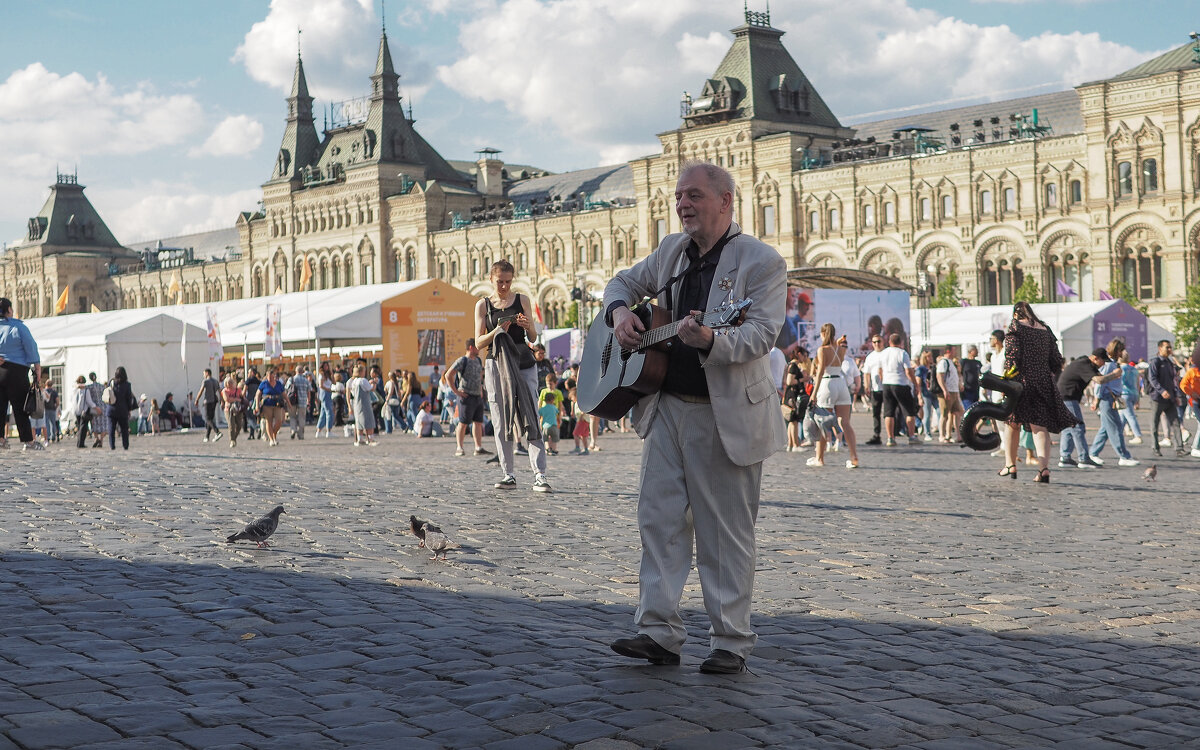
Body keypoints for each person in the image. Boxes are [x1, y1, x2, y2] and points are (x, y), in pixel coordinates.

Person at [603, 161, 786, 675]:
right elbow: (621, 282)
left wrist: (710, 338)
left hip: (723, 414)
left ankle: (731, 640)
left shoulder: (761, 261)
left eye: (694, 196)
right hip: (666, 408)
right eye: (679, 196)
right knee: (657, 520)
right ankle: (657, 631)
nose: (683, 204)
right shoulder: (670, 251)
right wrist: (620, 313)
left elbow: (762, 335)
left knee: (725, 533)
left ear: (726, 201)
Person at [475, 259, 551, 492]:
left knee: (530, 413)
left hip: (523, 363)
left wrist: (528, 326)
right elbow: (478, 342)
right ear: (491, 279)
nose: (504, 286)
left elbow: (534, 338)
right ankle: (508, 473)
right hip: (496, 364)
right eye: (500, 282)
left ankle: (540, 474)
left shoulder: (522, 300)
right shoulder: (483, 305)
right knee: (500, 418)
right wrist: (496, 331)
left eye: (508, 281)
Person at [1000, 302, 1076, 482]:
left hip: (1020, 382)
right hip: (1043, 381)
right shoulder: (1045, 329)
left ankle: (1010, 465)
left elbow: (1012, 356)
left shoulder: (1015, 328)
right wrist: (1046, 372)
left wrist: (1007, 380)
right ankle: (1043, 469)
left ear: (1015, 314)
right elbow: (1057, 360)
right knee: (1039, 426)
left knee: (1012, 422)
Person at [807, 324, 858, 469]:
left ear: (823, 333)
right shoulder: (841, 349)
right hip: (841, 385)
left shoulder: (822, 350)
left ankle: (820, 458)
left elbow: (821, 371)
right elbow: (834, 349)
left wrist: (813, 394)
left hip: (827, 384)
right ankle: (854, 457)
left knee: (823, 422)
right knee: (845, 423)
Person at [0, 298, 44, 451]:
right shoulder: (18, 327)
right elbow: (31, 346)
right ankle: (28, 441)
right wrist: (37, 367)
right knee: (20, 407)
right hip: (16, 371)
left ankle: (0, 439)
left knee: (0, 406)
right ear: (9, 310)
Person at [1089, 339, 1140, 467]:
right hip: (1107, 398)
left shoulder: (1113, 364)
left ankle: (1093, 453)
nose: (1123, 353)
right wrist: (1096, 399)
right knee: (1116, 428)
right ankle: (1124, 456)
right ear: (1117, 351)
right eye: (1121, 350)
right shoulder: (1109, 365)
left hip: (1110, 398)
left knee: (1106, 428)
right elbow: (1100, 383)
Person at [444, 339, 489, 457]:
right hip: (466, 396)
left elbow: (480, 376)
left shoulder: (478, 360)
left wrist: (480, 391)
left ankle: (478, 447)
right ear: (470, 347)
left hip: (477, 396)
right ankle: (459, 447)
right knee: (463, 423)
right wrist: (456, 391)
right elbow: (448, 375)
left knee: (478, 422)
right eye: (476, 347)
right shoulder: (462, 361)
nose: (479, 349)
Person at [879, 333, 921, 446]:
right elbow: (908, 371)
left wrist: (884, 379)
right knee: (909, 411)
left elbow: (880, 370)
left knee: (889, 412)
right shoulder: (902, 353)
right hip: (901, 383)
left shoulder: (883, 353)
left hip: (887, 384)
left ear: (889, 342)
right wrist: (915, 384)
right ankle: (911, 436)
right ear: (900, 342)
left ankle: (890, 438)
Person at [1146, 339, 1186, 457]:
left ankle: (1179, 448)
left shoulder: (1169, 363)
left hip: (1170, 399)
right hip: (1157, 398)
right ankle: (1155, 447)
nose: (1169, 350)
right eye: (1167, 347)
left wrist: (1176, 395)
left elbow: (1174, 381)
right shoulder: (1155, 362)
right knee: (1155, 423)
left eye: (1170, 347)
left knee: (1176, 423)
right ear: (1160, 348)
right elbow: (1152, 379)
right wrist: (1162, 391)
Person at [782, 346, 810, 451]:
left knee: (791, 421)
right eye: (804, 355)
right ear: (799, 354)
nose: (805, 358)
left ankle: (790, 444)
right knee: (794, 421)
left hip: (789, 395)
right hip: (793, 396)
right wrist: (803, 379)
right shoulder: (794, 366)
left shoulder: (790, 365)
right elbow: (790, 381)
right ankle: (795, 445)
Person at [936, 348, 965, 444]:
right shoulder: (943, 362)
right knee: (944, 414)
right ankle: (942, 435)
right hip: (947, 391)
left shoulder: (951, 362)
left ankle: (957, 435)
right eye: (953, 350)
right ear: (948, 351)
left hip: (954, 391)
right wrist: (945, 390)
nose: (955, 352)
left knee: (957, 413)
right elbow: (939, 376)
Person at [862, 334, 885, 445]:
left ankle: (894, 433)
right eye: (874, 342)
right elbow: (866, 373)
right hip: (876, 388)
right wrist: (866, 386)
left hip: (888, 387)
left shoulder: (887, 353)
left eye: (878, 341)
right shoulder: (870, 356)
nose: (876, 344)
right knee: (876, 413)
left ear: (883, 341)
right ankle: (877, 435)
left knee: (891, 412)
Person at [106, 366, 137, 450]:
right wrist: (129, 410)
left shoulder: (111, 382)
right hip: (122, 410)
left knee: (111, 428)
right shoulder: (127, 385)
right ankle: (125, 445)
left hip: (111, 409)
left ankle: (112, 445)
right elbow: (128, 398)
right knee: (124, 429)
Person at [347, 363, 378, 446]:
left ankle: (360, 439)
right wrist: (374, 382)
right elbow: (371, 388)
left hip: (357, 404)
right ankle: (370, 438)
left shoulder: (354, 382)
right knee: (369, 420)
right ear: (361, 372)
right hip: (365, 403)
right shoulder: (362, 380)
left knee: (359, 421)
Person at [255, 367, 287, 446]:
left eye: (271, 376)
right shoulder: (264, 383)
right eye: (268, 376)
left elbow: (284, 394)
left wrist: (288, 402)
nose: (269, 378)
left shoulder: (278, 383)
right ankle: (271, 439)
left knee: (279, 421)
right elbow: (258, 394)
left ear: (274, 376)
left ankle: (274, 434)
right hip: (267, 404)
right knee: (268, 421)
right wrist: (257, 405)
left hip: (277, 404)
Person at [1117, 351, 1143, 445]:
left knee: (1129, 415)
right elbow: (1138, 384)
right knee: (1122, 416)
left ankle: (1137, 435)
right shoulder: (1134, 369)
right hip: (1134, 393)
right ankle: (1118, 434)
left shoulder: (1120, 369)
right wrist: (1138, 398)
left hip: (1124, 394)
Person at [195, 369, 223, 443]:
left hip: (208, 401)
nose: (203, 375)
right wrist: (222, 400)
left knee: (207, 419)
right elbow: (220, 392)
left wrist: (197, 399)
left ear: (207, 373)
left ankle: (217, 432)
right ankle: (207, 436)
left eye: (204, 373)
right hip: (214, 401)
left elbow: (201, 391)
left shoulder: (205, 381)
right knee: (210, 419)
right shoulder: (215, 381)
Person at [73, 375, 100, 448]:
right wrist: (96, 408)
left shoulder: (74, 390)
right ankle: (81, 443)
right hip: (84, 411)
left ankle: (79, 443)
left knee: (79, 427)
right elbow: (89, 401)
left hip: (76, 411)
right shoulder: (85, 390)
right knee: (83, 428)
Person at [286, 365, 310, 440]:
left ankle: (293, 430)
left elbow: (286, 389)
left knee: (292, 416)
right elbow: (309, 391)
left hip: (292, 401)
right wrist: (308, 401)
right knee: (302, 418)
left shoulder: (291, 379)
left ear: (295, 371)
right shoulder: (305, 380)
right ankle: (301, 434)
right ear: (302, 371)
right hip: (303, 401)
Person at [221, 375, 245, 448]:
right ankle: (232, 440)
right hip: (228, 409)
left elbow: (242, 398)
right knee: (231, 425)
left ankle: (234, 438)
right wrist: (236, 399)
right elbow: (227, 399)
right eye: (228, 383)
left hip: (238, 409)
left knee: (239, 425)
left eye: (231, 382)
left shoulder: (238, 390)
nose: (230, 384)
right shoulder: (224, 391)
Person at [538, 388, 561, 455]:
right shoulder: (554, 407)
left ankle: (548, 449)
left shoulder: (543, 409)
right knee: (554, 439)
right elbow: (557, 413)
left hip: (545, 426)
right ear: (553, 400)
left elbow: (539, 414)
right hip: (553, 425)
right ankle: (553, 449)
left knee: (546, 439)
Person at [315, 362, 335, 438]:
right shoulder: (322, 375)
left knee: (323, 413)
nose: (327, 367)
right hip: (325, 393)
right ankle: (329, 430)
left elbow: (334, 382)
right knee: (329, 412)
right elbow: (321, 385)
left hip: (328, 393)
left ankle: (319, 430)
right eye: (326, 366)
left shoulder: (328, 375)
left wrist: (331, 373)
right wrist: (329, 389)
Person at [960, 346, 982, 412]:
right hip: (967, 391)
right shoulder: (964, 362)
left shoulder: (978, 363)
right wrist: (961, 383)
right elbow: (959, 373)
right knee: (969, 410)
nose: (977, 352)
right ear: (971, 351)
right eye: (976, 350)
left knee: (975, 410)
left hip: (976, 390)